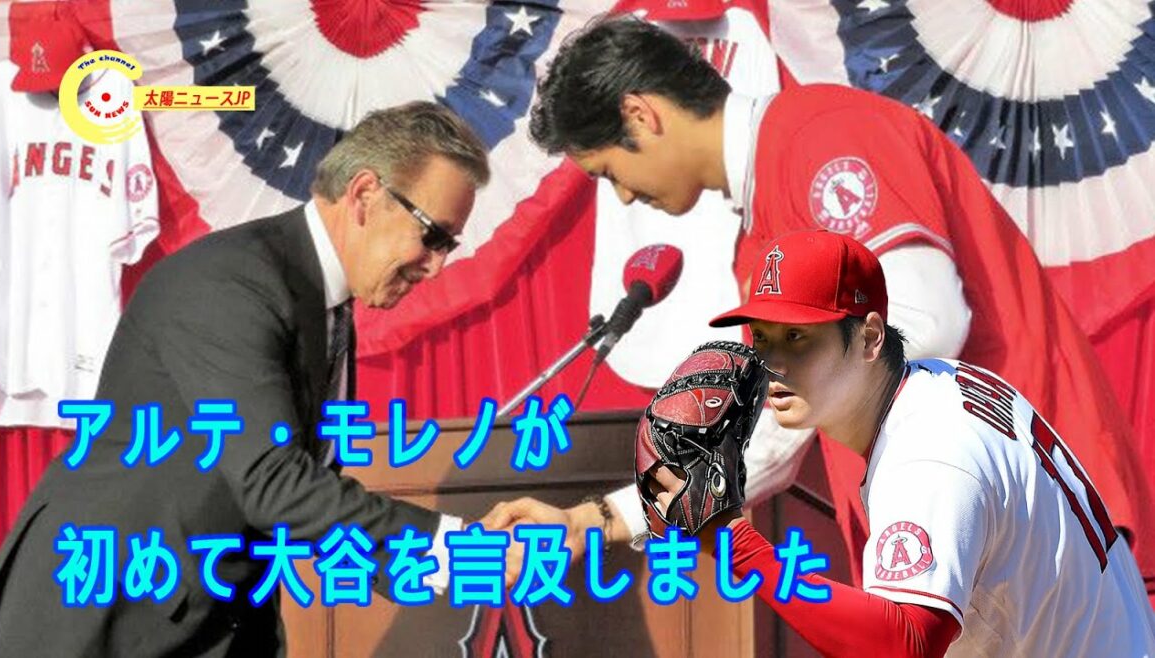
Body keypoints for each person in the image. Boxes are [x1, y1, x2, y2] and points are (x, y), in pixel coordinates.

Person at [482, 15, 1155, 602]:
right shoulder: (762, 230)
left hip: (1026, 530)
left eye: (607, 173)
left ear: (640, 115)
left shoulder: (822, 139)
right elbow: (768, 445)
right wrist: (594, 521)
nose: (625, 197)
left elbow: (925, 320)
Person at [0, 101, 487, 657]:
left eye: (449, 246)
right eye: (433, 236)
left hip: (207, 612)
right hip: (100, 614)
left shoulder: (321, 302)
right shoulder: (234, 283)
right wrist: (455, 547)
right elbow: (273, 481)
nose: (436, 266)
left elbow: (281, 496)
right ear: (365, 194)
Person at [641, 229, 1155, 657]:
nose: (771, 363)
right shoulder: (937, 384)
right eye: (762, 337)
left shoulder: (927, 450)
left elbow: (903, 645)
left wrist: (734, 544)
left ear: (869, 338)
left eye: (797, 337)